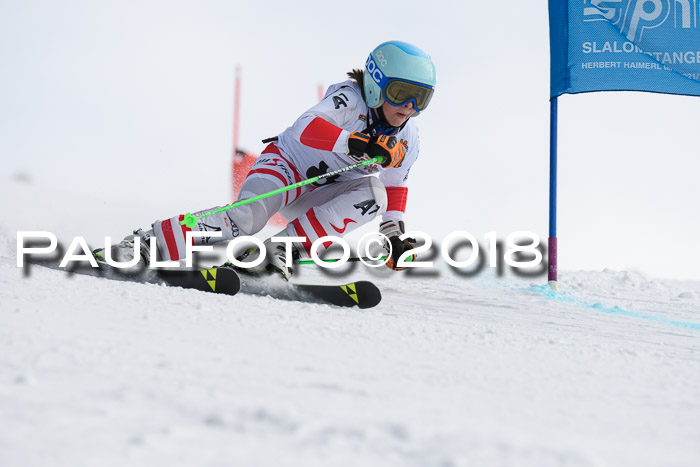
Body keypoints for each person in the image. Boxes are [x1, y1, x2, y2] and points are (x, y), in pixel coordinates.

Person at [95, 40, 436, 280]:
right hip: (286, 169)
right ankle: (145, 244)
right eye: (400, 93)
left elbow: (394, 186)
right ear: (376, 85)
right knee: (246, 220)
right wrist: (357, 143)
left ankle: (280, 254)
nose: (408, 106)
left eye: (420, 98)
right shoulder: (350, 98)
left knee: (373, 194)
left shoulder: (409, 137)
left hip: (322, 195)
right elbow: (307, 127)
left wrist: (393, 234)